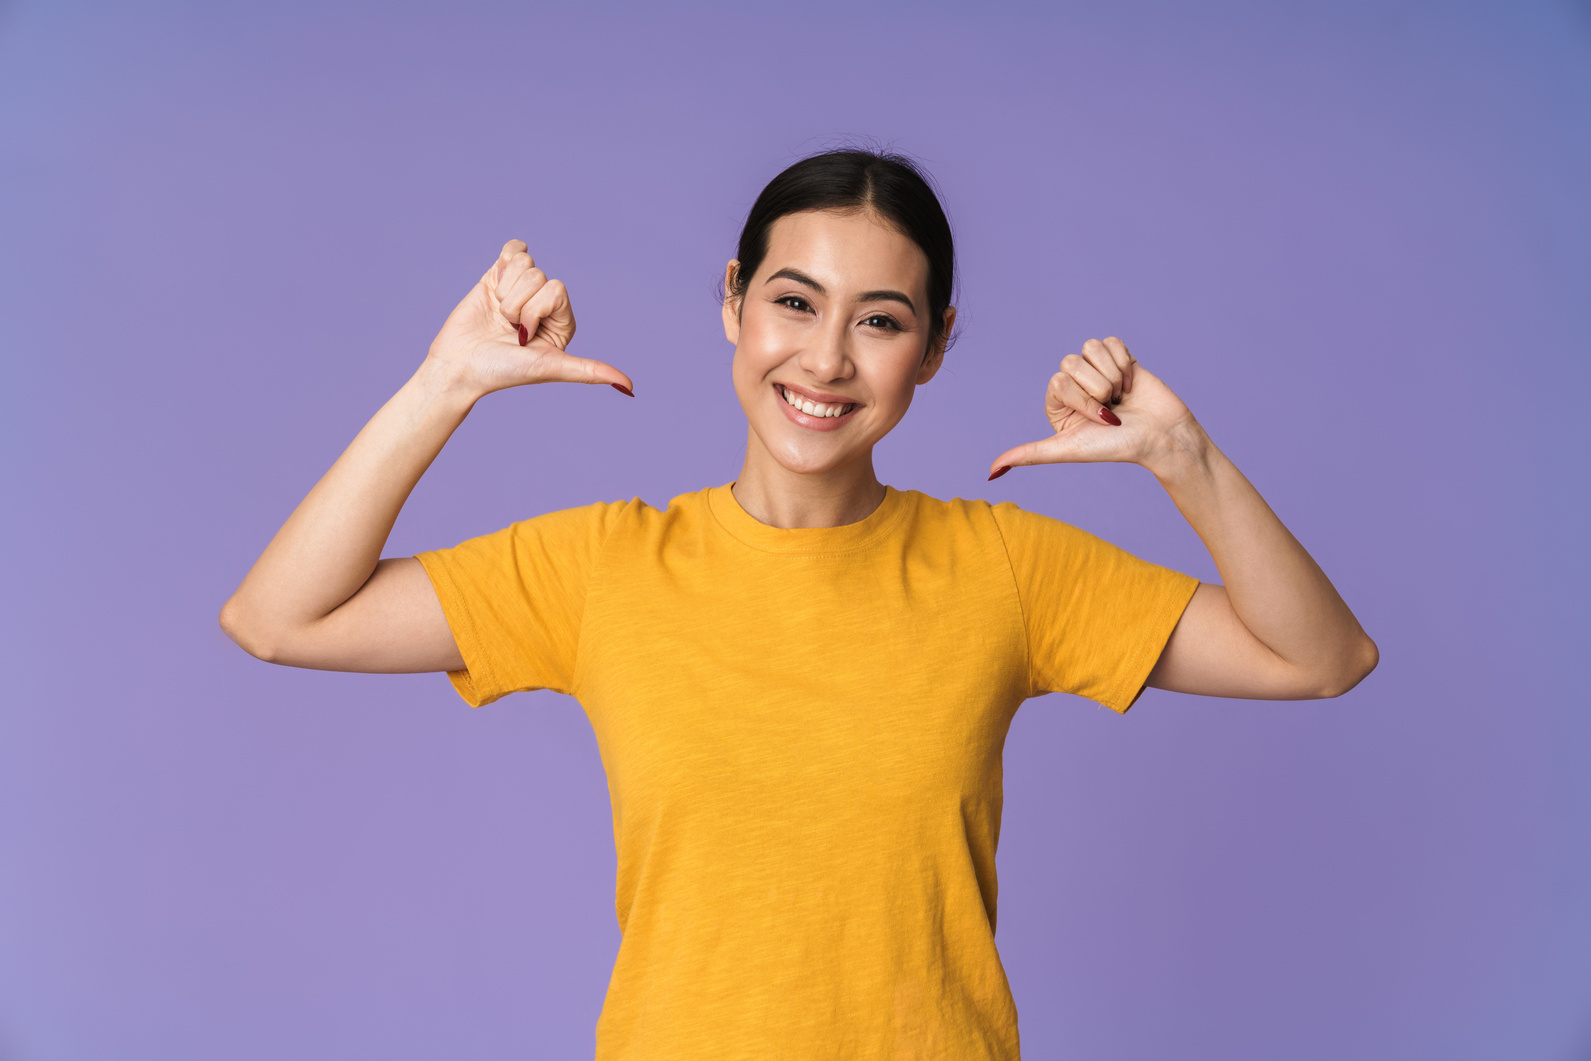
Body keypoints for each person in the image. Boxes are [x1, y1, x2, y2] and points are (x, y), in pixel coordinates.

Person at [220, 148, 1377, 1060]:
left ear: (932, 350)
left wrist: (1184, 457)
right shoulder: (606, 566)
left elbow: (1322, 657)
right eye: (793, 301)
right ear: (732, 303)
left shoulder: (1006, 568)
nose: (825, 359)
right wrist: (446, 384)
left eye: (880, 319)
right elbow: (280, 617)